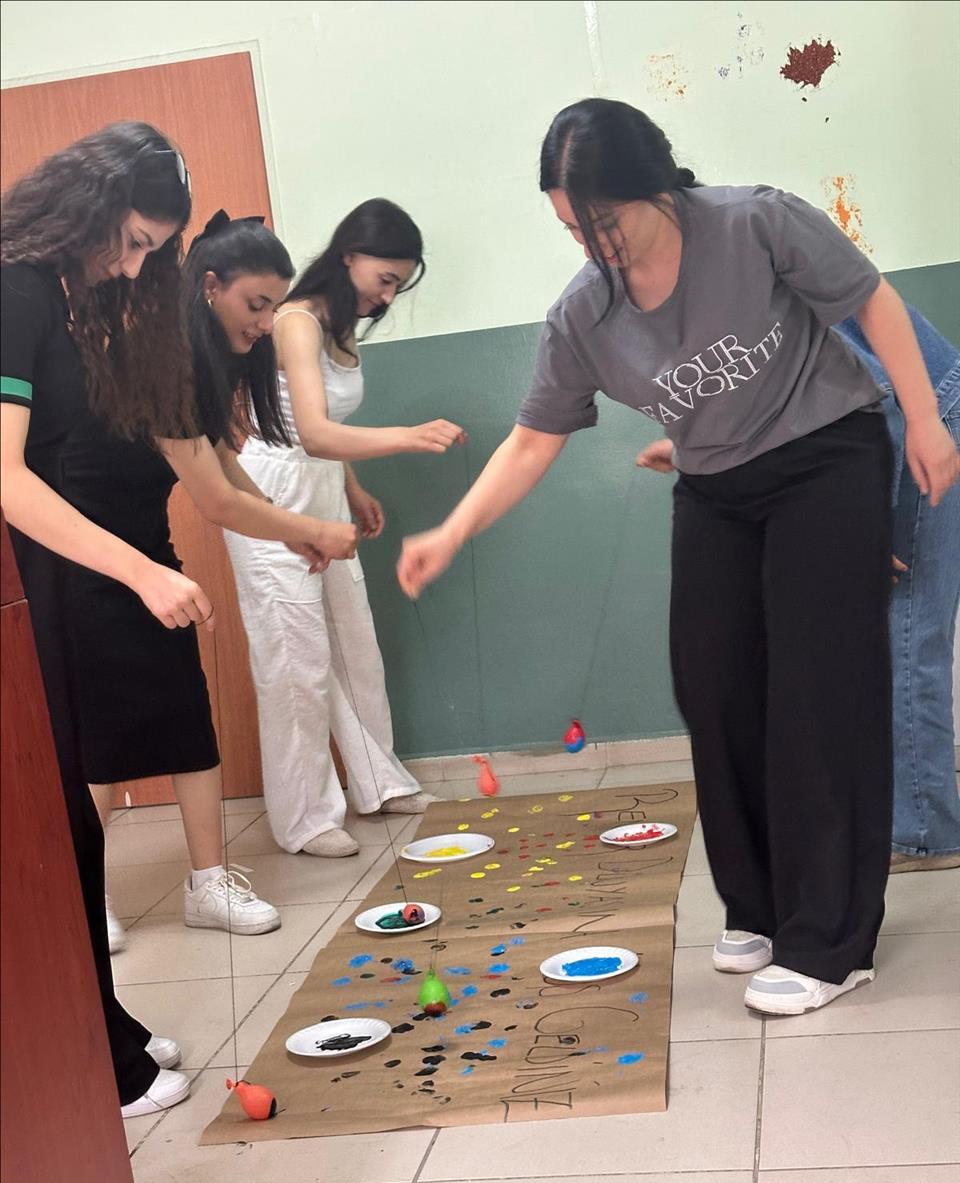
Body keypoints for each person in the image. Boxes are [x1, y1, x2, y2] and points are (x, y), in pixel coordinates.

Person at [396, 99, 960, 1017]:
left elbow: (872, 300)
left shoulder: (754, 222)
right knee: (715, 685)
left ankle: (831, 943)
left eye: (604, 222)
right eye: (572, 230)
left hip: (828, 459)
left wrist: (927, 420)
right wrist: (452, 530)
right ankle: (762, 909)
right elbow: (533, 440)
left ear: (655, 185)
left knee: (819, 693)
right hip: (716, 488)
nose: (594, 246)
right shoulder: (584, 313)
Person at [0, 124, 354, 1116]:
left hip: (63, 577)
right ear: (85, 207)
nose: (133, 265)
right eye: (130, 241)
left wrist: (296, 531)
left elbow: (215, 481)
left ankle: (101, 1029)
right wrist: (142, 574)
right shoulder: (18, 291)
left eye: (152, 250)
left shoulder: (77, 304)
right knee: (58, 830)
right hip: (47, 586)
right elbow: (6, 477)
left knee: (70, 828)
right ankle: (94, 1059)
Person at [100, 208, 348, 952]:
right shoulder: (162, 353)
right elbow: (214, 501)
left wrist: (288, 526)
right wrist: (310, 529)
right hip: (88, 547)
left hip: (145, 540)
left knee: (184, 710)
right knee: (101, 732)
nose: (268, 323)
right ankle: (83, 893)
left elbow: (222, 464)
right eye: (256, 305)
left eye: (276, 307)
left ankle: (208, 883)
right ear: (210, 287)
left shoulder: (204, 363)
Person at [223, 199, 464, 858]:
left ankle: (379, 783)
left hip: (323, 488)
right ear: (349, 256)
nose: (387, 296)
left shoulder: (341, 324)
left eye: (397, 285)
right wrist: (408, 437)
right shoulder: (296, 320)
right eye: (384, 279)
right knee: (294, 661)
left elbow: (324, 432)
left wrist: (352, 487)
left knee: (355, 645)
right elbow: (313, 429)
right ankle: (304, 819)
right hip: (271, 495)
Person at [835, 310, 960, 871]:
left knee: (907, 632)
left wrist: (870, 524)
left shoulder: (756, 281)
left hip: (918, 416)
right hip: (915, 408)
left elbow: (874, 394)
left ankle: (924, 833)